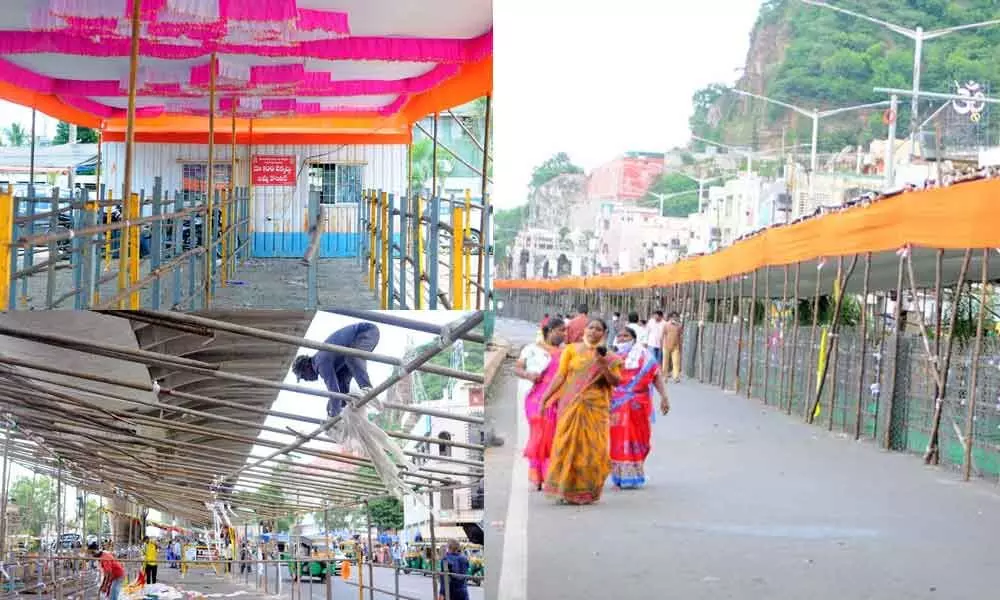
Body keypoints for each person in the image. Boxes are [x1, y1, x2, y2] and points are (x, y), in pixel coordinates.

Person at [539, 319, 621, 505]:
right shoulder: (571, 350)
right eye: (591, 327)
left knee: (593, 449)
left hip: (596, 408)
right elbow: (561, 376)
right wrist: (545, 398)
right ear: (585, 330)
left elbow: (616, 382)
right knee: (566, 445)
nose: (593, 332)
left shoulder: (610, 357)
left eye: (598, 329)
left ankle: (587, 491)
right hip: (571, 405)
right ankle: (563, 488)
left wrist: (603, 365)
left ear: (604, 333)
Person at [610, 325, 670, 489]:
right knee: (618, 438)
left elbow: (656, 376)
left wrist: (664, 397)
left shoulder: (645, 356)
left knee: (640, 438)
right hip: (617, 405)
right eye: (620, 336)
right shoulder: (612, 357)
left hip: (638, 404)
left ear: (634, 339)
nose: (622, 339)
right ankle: (620, 476)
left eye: (626, 337)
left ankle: (635, 471)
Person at [514, 317, 567, 490]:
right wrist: (529, 375)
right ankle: (537, 475)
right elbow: (518, 368)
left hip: (558, 399)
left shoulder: (566, 352)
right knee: (539, 434)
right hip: (536, 398)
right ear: (550, 330)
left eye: (565, 331)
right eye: (561, 330)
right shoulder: (532, 349)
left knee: (554, 436)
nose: (564, 334)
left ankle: (550, 474)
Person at [291, 321, 380, 423]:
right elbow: (339, 392)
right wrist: (335, 411)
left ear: (306, 367)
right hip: (356, 342)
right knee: (341, 379)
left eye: (303, 376)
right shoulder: (327, 362)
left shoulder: (320, 362)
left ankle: (367, 389)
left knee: (352, 357)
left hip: (366, 332)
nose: (306, 380)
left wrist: (333, 417)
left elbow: (334, 392)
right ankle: (347, 410)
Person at [663, 311, 684, 383]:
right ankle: (665, 376)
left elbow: (680, 336)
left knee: (676, 362)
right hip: (666, 345)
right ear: (670, 317)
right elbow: (663, 335)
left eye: (675, 316)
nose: (674, 318)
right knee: (665, 362)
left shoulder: (679, 326)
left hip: (676, 346)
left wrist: (680, 345)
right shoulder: (666, 325)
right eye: (673, 316)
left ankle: (676, 377)